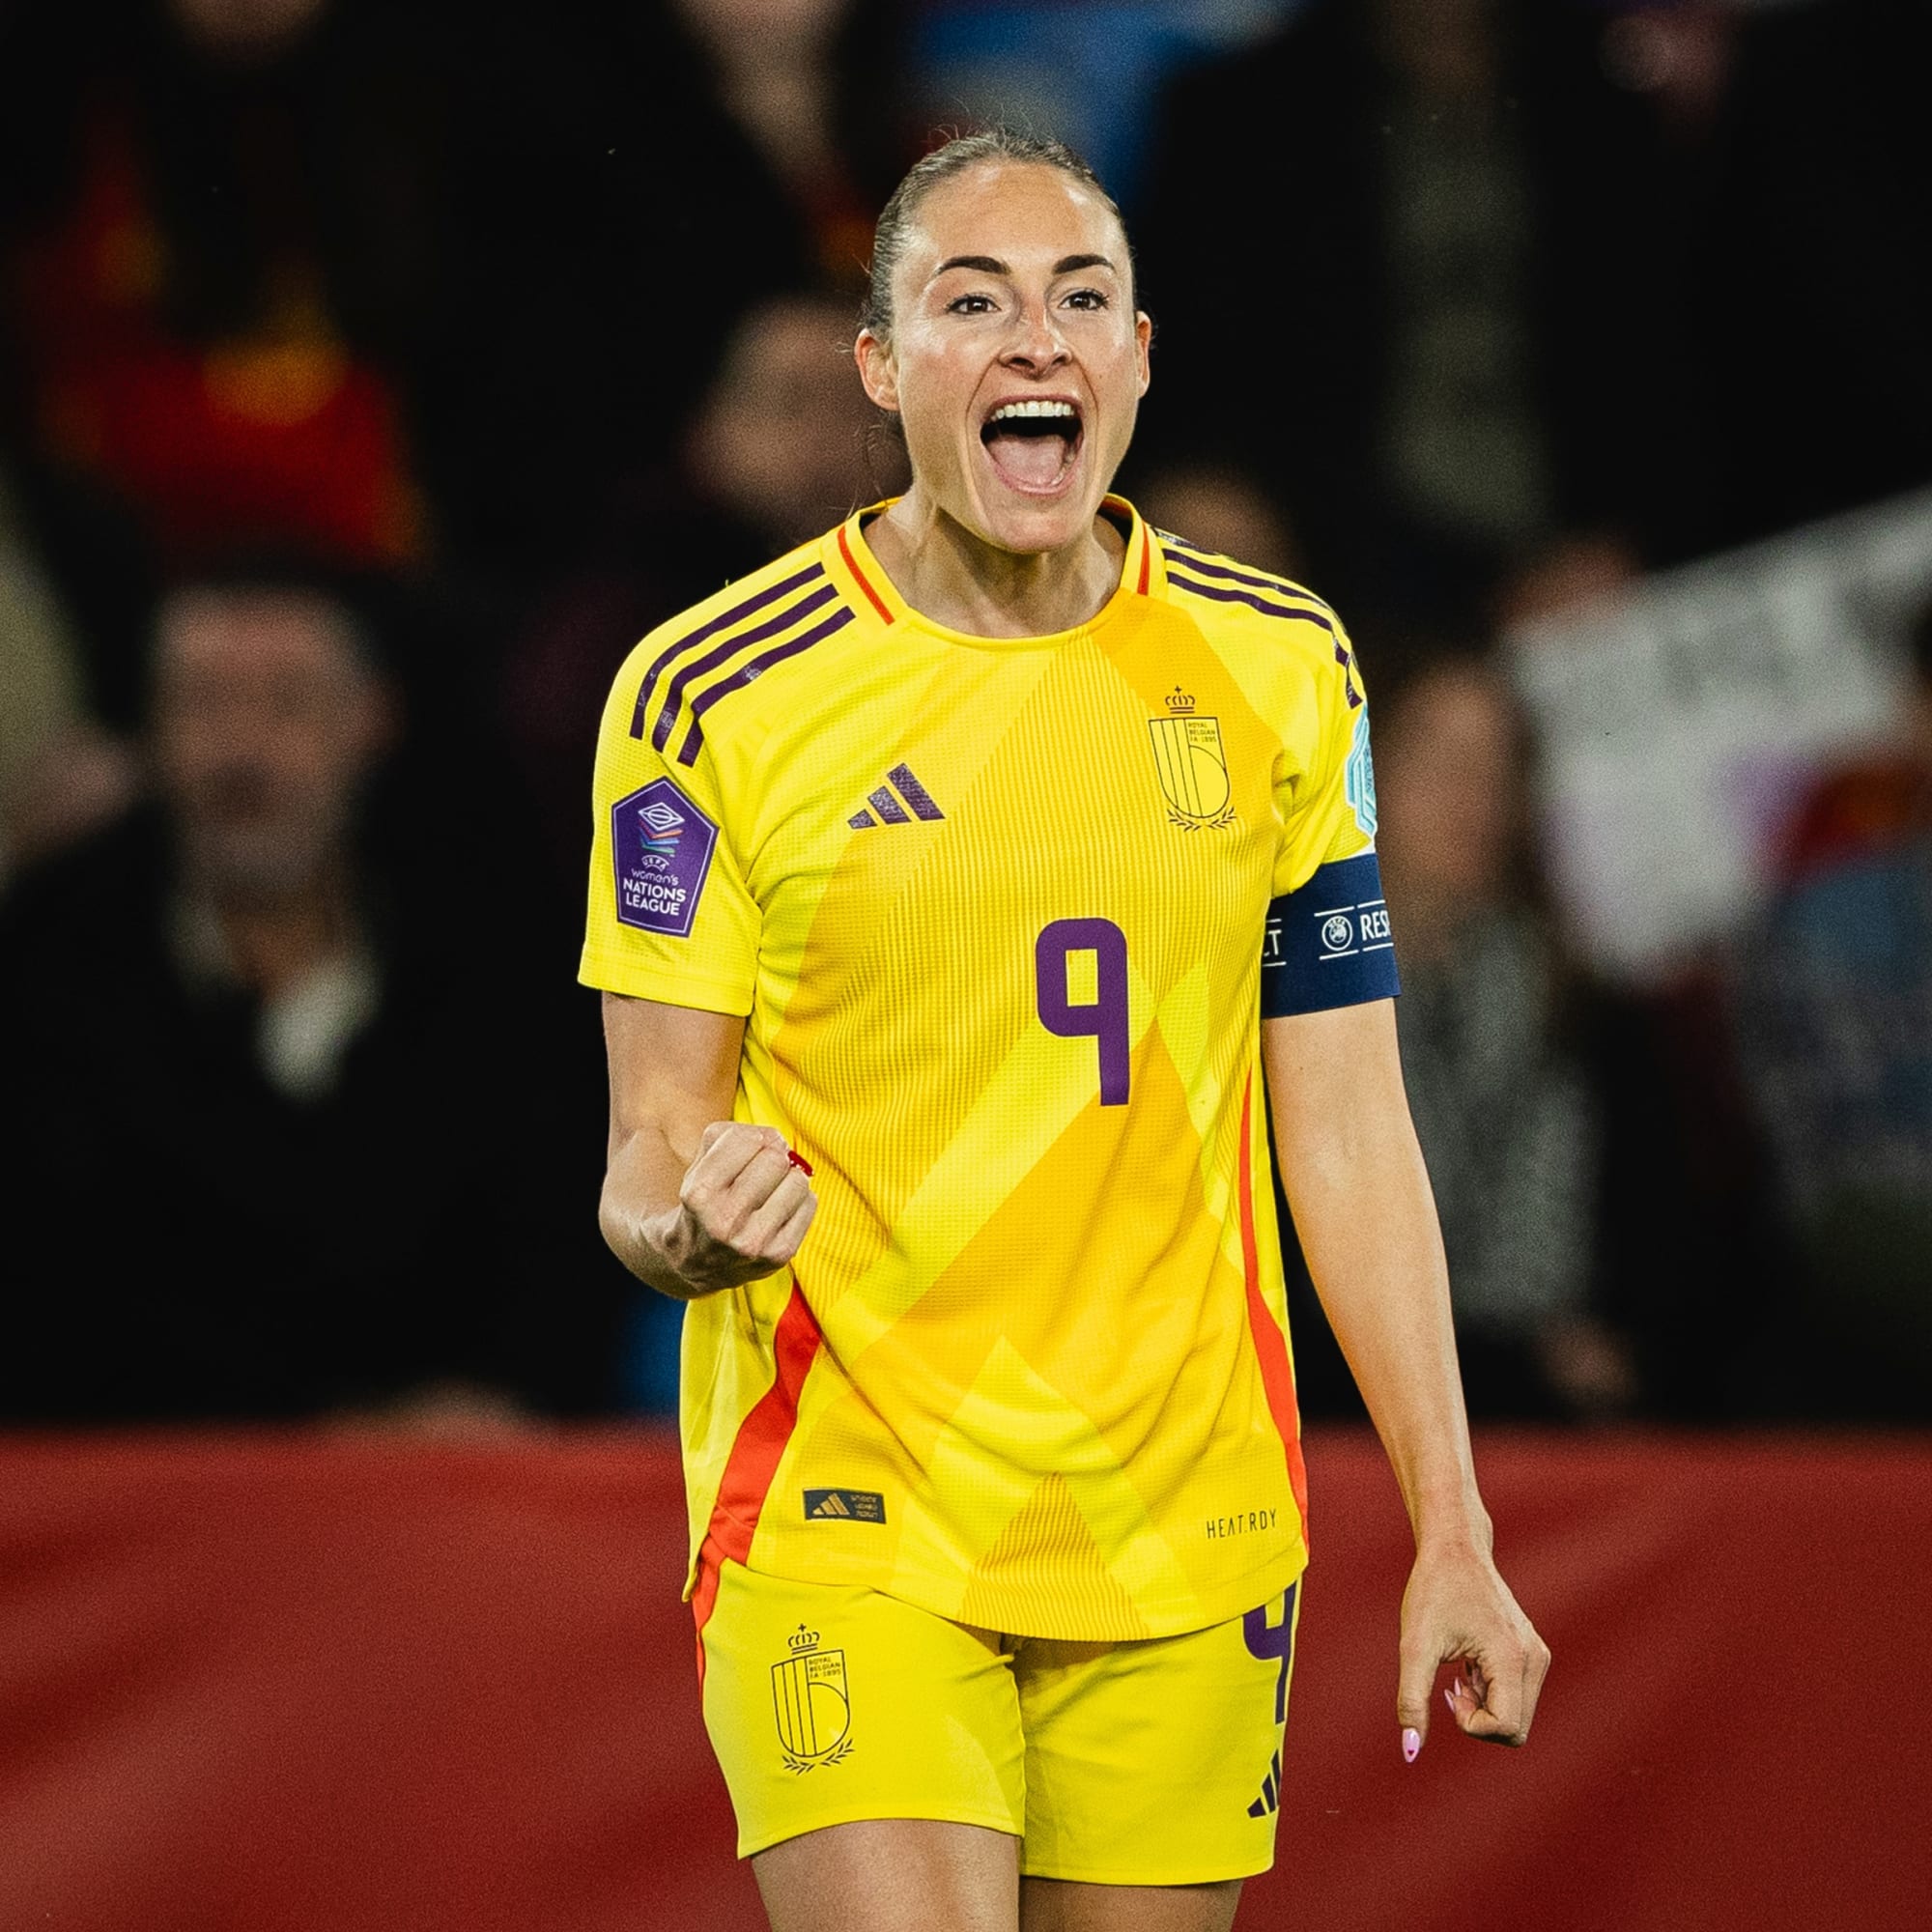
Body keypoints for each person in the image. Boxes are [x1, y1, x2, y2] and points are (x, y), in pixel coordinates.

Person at [582, 130, 1548, 1931]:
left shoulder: (1285, 668)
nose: (1037, 339)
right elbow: (651, 1144)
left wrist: (1456, 1529)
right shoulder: (710, 693)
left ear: (1138, 359)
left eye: (1080, 298)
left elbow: (1348, 1127)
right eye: (974, 303)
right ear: (884, 370)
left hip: (1186, 1531)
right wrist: (684, 1230)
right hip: (854, 1515)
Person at [0, 558, 620, 1424]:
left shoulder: (494, 958)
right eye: (204, 702)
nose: (242, 749)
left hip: (453, 1479)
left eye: (287, 704)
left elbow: (559, 1246)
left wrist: (497, 1403)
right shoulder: (45, 968)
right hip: (138, 1477)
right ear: (150, 729)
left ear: (372, 720)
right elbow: (47, 1299)